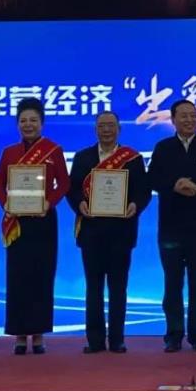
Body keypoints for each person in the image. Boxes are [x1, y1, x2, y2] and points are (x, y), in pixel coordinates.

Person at [66, 111, 151, 354]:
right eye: (102, 126)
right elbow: (72, 190)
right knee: (93, 288)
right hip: (91, 231)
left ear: (119, 129)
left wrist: (135, 205)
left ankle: (117, 340)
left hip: (121, 232)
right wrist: (79, 204)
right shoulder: (83, 157)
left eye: (111, 125)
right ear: (96, 129)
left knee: (118, 288)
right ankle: (94, 340)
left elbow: (143, 191)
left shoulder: (132, 158)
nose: (106, 130)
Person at [0, 98, 70, 355]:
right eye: (23, 120)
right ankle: (19, 333)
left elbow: (64, 184)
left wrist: (50, 202)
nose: (28, 124)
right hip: (17, 222)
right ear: (17, 124)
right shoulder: (9, 152)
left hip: (44, 221)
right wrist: (6, 203)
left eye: (33, 120)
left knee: (41, 276)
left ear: (42, 123)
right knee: (18, 277)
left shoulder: (53, 150)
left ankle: (38, 334)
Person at [147, 100, 196, 353]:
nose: (189, 120)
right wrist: (175, 185)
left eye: (193, 116)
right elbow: (152, 179)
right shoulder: (163, 147)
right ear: (173, 120)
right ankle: (173, 335)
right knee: (172, 283)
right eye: (184, 116)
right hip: (170, 227)